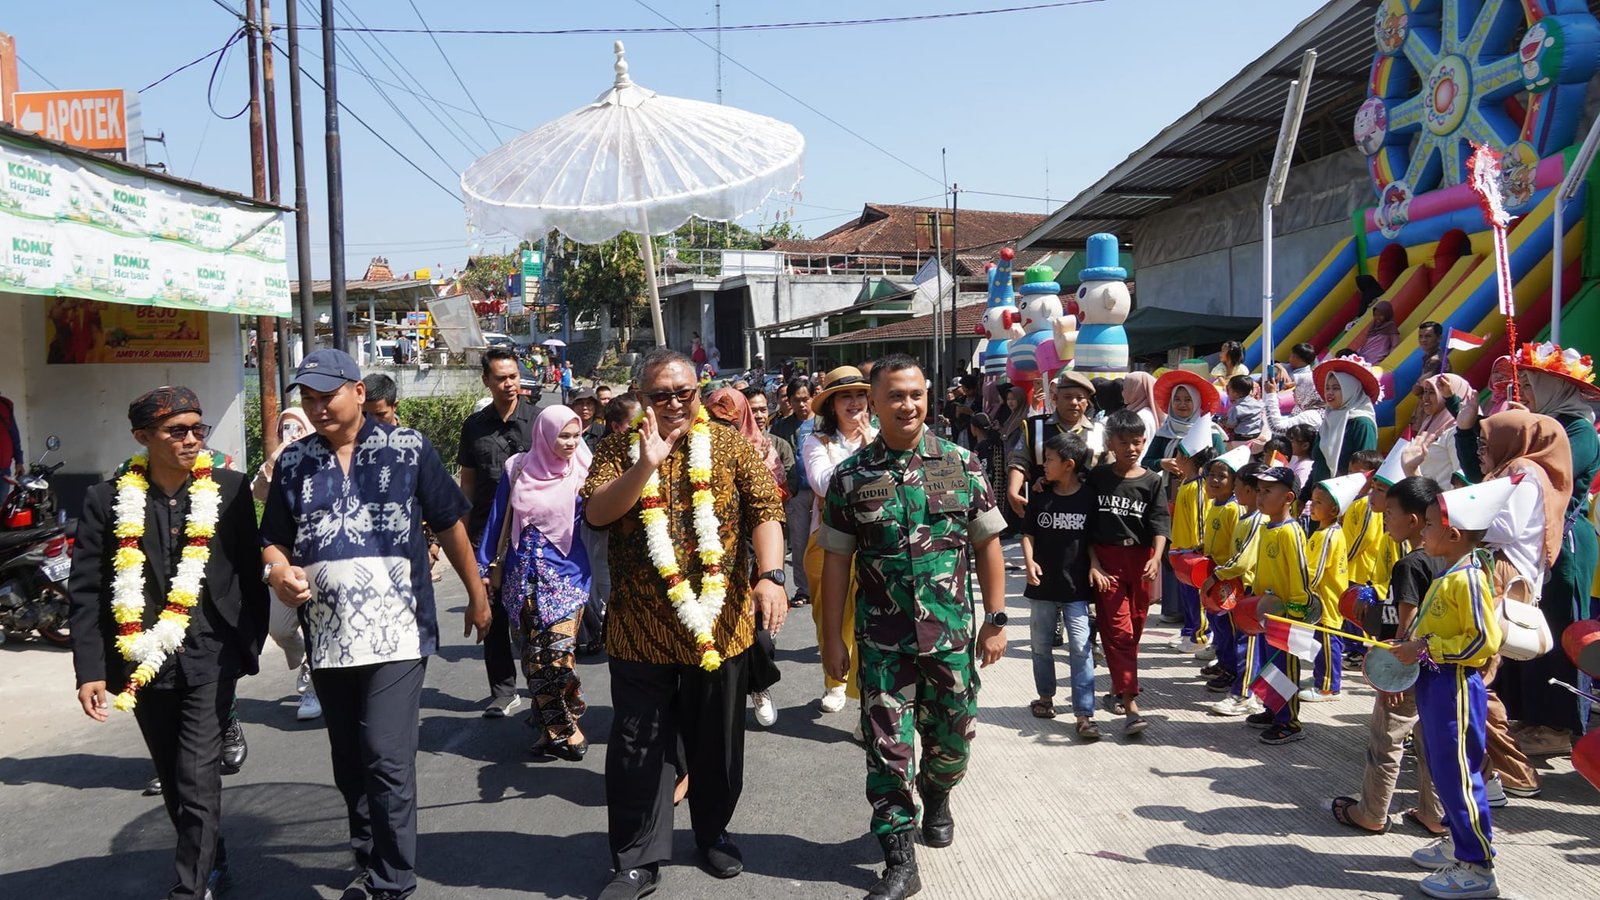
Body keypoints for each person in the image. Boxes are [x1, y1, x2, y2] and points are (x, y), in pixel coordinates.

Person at [261, 351, 489, 900]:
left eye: (326, 397)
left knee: (386, 756)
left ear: (358, 392)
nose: (317, 409)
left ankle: (393, 880)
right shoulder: (294, 464)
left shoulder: (408, 450)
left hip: (399, 632)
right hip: (329, 637)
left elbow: (451, 524)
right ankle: (369, 860)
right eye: (308, 400)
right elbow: (273, 538)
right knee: (350, 762)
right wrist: (278, 571)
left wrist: (479, 596)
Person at [581, 348, 786, 899]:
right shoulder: (617, 449)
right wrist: (645, 463)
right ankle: (635, 858)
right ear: (641, 397)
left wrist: (770, 576)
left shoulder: (729, 445)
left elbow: (766, 509)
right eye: (660, 395)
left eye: (684, 393)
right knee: (637, 746)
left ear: (698, 392)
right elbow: (597, 513)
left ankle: (713, 831)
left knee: (716, 743)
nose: (674, 403)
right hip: (639, 629)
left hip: (718, 629)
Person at [817, 354, 1007, 900]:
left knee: (953, 743)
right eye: (895, 396)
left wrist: (995, 620)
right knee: (886, 752)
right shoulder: (851, 479)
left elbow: (988, 543)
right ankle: (899, 859)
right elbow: (835, 564)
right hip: (883, 644)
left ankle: (938, 791)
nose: (908, 405)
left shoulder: (961, 464)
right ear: (872, 404)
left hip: (949, 639)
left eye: (917, 394)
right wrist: (832, 637)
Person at [69, 386, 268, 900]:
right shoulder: (106, 500)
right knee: (173, 775)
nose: (191, 439)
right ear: (142, 438)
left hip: (211, 653)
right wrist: (89, 670)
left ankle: (190, 888)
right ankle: (213, 861)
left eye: (198, 429)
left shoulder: (228, 488)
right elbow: (88, 590)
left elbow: (250, 569)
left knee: (197, 772)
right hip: (142, 659)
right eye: (176, 431)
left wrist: (249, 640)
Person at [1456, 344, 1600, 756]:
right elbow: (1484, 470)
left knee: (1555, 629)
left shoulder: (1577, 430)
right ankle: (1529, 714)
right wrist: (1471, 428)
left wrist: (1527, 426)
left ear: (1556, 385)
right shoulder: (1544, 426)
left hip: (1561, 543)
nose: (1528, 389)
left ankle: (1558, 724)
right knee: (1519, 628)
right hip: (1526, 542)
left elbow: (1554, 473)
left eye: (1535, 383)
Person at [1391, 480, 1505, 899]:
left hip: (1454, 687)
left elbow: (1482, 642)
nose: (1423, 532)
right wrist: (1410, 646)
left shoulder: (1469, 577)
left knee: (1459, 775)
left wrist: (1423, 647)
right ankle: (1459, 843)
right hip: (1437, 685)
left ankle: (1477, 866)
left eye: (1431, 525)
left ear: (1453, 534)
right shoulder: (1449, 573)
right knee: (1443, 770)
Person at [1329, 476, 1444, 836]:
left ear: (1413, 520)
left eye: (1390, 512)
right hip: (1437, 665)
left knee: (1386, 741)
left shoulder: (1410, 564)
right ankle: (1434, 813)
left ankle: (1372, 811)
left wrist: (1393, 672)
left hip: (1407, 667)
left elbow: (1405, 623)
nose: (1384, 519)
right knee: (1430, 743)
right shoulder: (1445, 560)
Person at [477, 406, 594, 759]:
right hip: (521, 578)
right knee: (532, 658)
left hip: (567, 576)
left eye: (576, 435)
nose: (572, 442)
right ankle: (551, 729)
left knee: (556, 657)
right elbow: (498, 518)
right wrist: (485, 567)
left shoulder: (585, 473)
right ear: (545, 435)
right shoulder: (518, 468)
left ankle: (567, 730)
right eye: (564, 435)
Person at [457, 346, 539, 718]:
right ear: (486, 381)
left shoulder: (538, 422)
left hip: (532, 536)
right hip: (486, 539)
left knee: (534, 617)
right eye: (501, 378)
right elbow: (469, 485)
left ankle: (544, 686)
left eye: (514, 377)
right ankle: (504, 691)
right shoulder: (474, 427)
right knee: (491, 614)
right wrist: (461, 534)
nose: (509, 384)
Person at [1087, 409, 1170, 734]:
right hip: (1107, 564)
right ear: (1110, 443)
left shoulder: (1152, 481)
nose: (1131, 449)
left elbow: (1160, 522)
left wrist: (1157, 557)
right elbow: (1086, 527)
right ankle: (1132, 705)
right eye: (1124, 443)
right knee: (1118, 632)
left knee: (1135, 629)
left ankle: (1117, 688)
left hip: (1142, 562)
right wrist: (1093, 563)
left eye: (1137, 443)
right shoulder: (1097, 478)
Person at [801, 366, 877, 716]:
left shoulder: (881, 437)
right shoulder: (817, 441)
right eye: (846, 396)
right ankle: (834, 683)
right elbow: (822, 483)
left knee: (869, 621)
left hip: (873, 540)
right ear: (831, 404)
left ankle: (864, 700)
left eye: (860, 395)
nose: (854, 403)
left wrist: (870, 446)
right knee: (830, 615)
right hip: (828, 540)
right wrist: (863, 455)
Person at [1022, 432, 1100, 739]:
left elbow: (1093, 540)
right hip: (1042, 585)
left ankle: (1084, 713)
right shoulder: (1040, 494)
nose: (1044, 465)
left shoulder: (1089, 497)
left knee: (1081, 648)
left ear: (1069, 465)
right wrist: (1029, 562)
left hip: (1076, 587)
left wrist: (1095, 564)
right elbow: (1027, 532)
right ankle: (1045, 698)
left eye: (1050, 459)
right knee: (1041, 647)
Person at [249, 406, 321, 722]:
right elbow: (257, 492)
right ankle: (307, 662)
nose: (291, 433)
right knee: (279, 628)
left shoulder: (324, 459)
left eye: (297, 427)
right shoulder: (280, 464)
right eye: (285, 428)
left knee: (319, 627)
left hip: (318, 561)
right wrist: (280, 452)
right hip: (282, 564)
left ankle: (312, 690)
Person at [1242, 466, 1313, 744]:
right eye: (1259, 491)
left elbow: (1300, 577)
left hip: (1285, 617)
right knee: (1268, 665)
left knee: (1285, 667)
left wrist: (1296, 614)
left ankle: (1289, 722)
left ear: (1288, 497)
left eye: (1268, 491)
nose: (1261, 497)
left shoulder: (1290, 532)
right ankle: (1273, 709)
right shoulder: (1266, 528)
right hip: (1265, 613)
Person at [1204, 461, 1267, 717]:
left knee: (1248, 644)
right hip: (1240, 589)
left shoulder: (1257, 520)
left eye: (1238, 486)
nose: (1235, 491)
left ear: (1249, 490)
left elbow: (1242, 559)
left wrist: (1217, 575)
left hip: (1251, 590)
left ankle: (1244, 694)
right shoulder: (1245, 516)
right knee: (1244, 642)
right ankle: (1255, 693)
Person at [1005, 370, 1105, 521]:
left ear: (1088, 402)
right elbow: (1019, 461)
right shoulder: (1034, 427)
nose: (1074, 402)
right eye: (1067, 397)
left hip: (1086, 512)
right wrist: (1012, 491)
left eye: (1080, 398)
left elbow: (1108, 469)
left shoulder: (1099, 431)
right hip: (1043, 511)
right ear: (1055, 398)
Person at [1303, 474, 1363, 703]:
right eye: (1313, 500)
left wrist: (1301, 588)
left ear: (1333, 509)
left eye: (1319, 502)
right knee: (1320, 641)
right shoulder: (1323, 531)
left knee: (1328, 642)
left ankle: (1329, 687)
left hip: (1326, 600)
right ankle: (1320, 678)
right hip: (1322, 599)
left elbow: (1315, 571)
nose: (1313, 505)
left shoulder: (1328, 535)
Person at [1304, 356, 1380, 501]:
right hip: (1321, 500)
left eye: (1337, 388)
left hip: (1344, 502)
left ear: (1351, 390)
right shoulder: (1328, 422)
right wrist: (1303, 496)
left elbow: (1364, 471)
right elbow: (1319, 464)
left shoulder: (1362, 423)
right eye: (1327, 388)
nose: (1329, 393)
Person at [770, 380, 815, 608]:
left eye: (805, 399)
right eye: (796, 400)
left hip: (822, 494)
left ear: (813, 397)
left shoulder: (824, 422)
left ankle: (825, 585)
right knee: (799, 543)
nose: (801, 404)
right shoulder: (781, 427)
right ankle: (804, 588)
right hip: (796, 493)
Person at [1405, 374, 1472, 488]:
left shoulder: (1457, 433)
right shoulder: (1430, 425)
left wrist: (1411, 470)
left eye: (1432, 392)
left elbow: (1463, 484)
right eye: (1425, 392)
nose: (1425, 398)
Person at [1220, 375, 1265, 442]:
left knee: (1221, 425)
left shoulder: (1236, 408)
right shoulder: (1258, 403)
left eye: (1228, 389)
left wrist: (1224, 421)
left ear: (1235, 393)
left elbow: (1231, 425)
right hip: (1257, 433)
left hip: (1242, 437)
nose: (1227, 392)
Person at [1355, 300, 1402, 364]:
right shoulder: (1374, 325)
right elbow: (1367, 341)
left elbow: (1395, 344)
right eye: (1375, 315)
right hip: (1366, 353)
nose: (1377, 318)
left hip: (1377, 355)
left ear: (1387, 314)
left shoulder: (1390, 326)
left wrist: (1389, 358)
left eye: (1381, 315)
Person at [1121, 371, 1160, 443]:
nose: (1123, 392)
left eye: (1125, 388)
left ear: (1135, 390)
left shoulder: (1143, 417)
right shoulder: (1140, 413)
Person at [0, 388, 21, 511]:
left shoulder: (5, 407)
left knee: (1, 502)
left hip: (3, 470)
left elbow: (14, 435)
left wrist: (19, 461)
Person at [568, 386, 604, 452]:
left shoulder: (602, 432)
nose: (584, 407)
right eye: (580, 403)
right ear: (573, 406)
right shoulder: (565, 430)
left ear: (595, 407)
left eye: (589, 403)